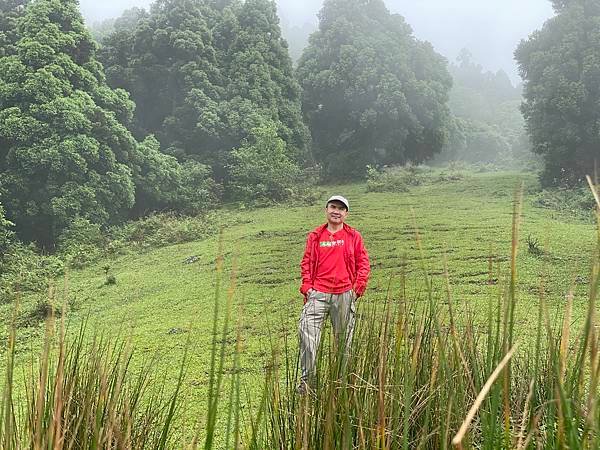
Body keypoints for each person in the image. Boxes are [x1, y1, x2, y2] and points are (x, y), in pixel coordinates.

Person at [297, 195, 370, 393]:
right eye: (333, 207)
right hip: (318, 294)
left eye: (341, 208)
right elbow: (306, 262)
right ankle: (307, 383)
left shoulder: (353, 236)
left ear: (346, 213)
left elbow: (363, 263)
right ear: (326, 209)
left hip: (344, 294)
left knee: (344, 341)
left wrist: (357, 289)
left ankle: (342, 383)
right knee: (307, 335)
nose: (336, 211)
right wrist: (307, 287)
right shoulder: (315, 236)